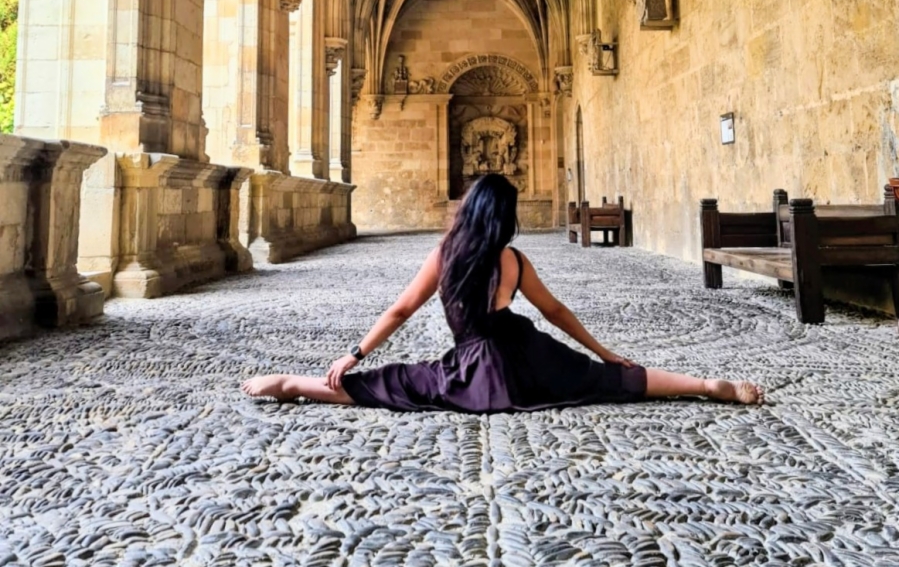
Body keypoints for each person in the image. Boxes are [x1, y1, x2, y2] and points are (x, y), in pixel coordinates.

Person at [242, 174, 764, 410]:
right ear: (505, 218)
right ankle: (704, 385)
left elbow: (401, 309)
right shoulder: (512, 259)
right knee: (609, 380)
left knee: (391, 384)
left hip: (472, 366)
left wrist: (353, 353)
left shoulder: (446, 255)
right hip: (526, 357)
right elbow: (555, 312)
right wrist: (606, 353)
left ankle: (290, 384)